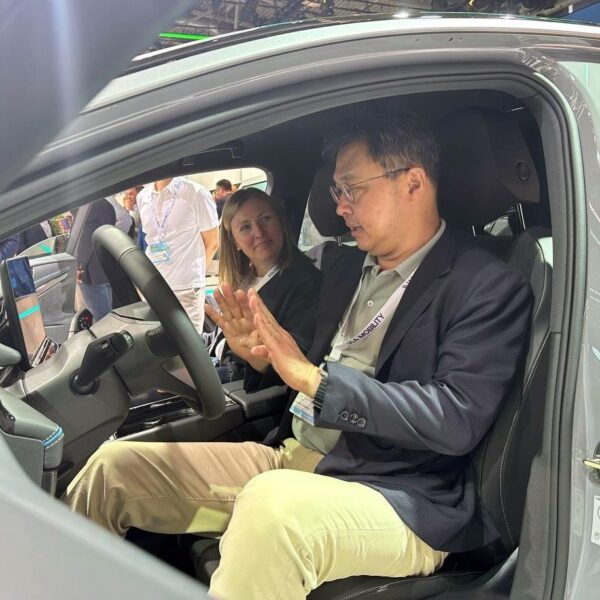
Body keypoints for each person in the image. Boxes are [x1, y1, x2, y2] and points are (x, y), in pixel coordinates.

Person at [64, 113, 533, 600]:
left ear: (413, 183)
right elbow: (308, 366)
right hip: (297, 456)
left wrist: (315, 380)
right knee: (113, 467)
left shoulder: (485, 285)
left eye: (352, 189)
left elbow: (455, 418)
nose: (341, 206)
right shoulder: (345, 269)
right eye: (336, 192)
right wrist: (263, 359)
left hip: (400, 493)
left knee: (272, 509)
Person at [205, 187, 322, 383]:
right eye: (245, 227)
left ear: (281, 223)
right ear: (234, 241)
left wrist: (255, 357)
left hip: (241, 383)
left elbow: (293, 367)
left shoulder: (305, 283)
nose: (259, 232)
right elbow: (219, 338)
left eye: (265, 219)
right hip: (216, 362)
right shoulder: (244, 280)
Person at [136, 177, 219, 332]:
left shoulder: (196, 192)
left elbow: (212, 242)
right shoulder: (143, 197)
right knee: (157, 340)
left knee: (190, 341)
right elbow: (151, 240)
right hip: (154, 286)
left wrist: (196, 277)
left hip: (186, 288)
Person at [75, 199, 116, 321]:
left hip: (90, 273)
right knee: (108, 316)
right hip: (104, 268)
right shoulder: (104, 204)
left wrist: (80, 267)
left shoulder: (88, 207)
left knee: (102, 320)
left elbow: (86, 239)